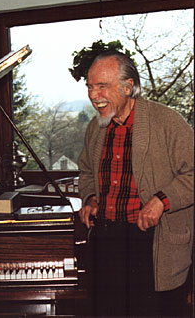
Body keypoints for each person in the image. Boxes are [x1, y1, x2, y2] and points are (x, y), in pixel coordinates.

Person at [77, 51, 194, 316]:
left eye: (102, 86)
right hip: (107, 241)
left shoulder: (167, 122)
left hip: (154, 244)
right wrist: (90, 199)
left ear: (128, 87)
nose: (94, 95)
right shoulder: (95, 128)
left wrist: (161, 201)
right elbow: (85, 171)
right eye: (90, 87)